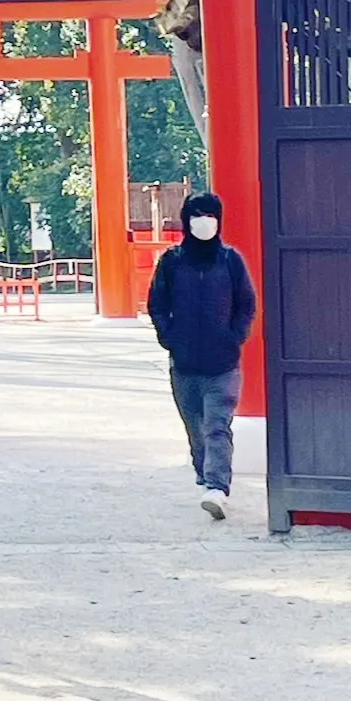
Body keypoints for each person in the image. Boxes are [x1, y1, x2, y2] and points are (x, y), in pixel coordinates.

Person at [146, 190, 256, 519]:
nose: (204, 221)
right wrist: (168, 336)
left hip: (223, 364)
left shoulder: (230, 260)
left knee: (217, 425)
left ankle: (217, 487)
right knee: (195, 427)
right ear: (186, 220)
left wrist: (235, 336)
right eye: (197, 215)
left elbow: (246, 304)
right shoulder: (172, 261)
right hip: (184, 364)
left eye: (210, 215)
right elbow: (157, 303)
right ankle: (204, 470)